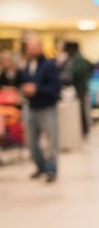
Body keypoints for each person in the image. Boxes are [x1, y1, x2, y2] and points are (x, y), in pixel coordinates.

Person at [19, 35, 61, 183]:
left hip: (47, 108)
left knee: (51, 141)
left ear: (40, 48)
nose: (31, 50)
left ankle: (51, 169)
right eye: (29, 47)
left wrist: (37, 89)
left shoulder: (49, 65)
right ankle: (41, 166)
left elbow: (56, 88)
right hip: (31, 108)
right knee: (31, 142)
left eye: (34, 47)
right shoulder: (27, 66)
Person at [63, 42, 93, 138]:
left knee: (80, 110)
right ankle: (83, 130)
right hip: (80, 88)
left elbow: (75, 73)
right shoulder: (76, 59)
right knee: (80, 109)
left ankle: (83, 131)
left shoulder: (78, 60)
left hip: (80, 88)